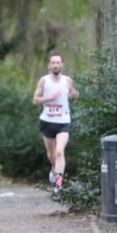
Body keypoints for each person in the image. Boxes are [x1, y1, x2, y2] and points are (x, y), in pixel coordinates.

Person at [33, 54, 79, 192]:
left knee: (60, 151)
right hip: (47, 121)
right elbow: (35, 100)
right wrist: (50, 97)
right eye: (53, 63)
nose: (55, 65)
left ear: (62, 65)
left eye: (58, 62)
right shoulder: (43, 81)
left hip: (63, 121)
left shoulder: (67, 80)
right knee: (52, 154)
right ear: (49, 65)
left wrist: (75, 94)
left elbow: (73, 94)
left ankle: (59, 182)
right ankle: (54, 168)